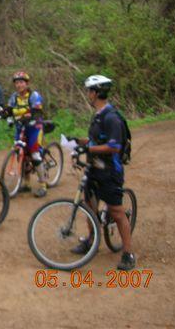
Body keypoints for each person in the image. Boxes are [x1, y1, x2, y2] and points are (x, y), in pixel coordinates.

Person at [71, 75, 136, 271]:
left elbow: (114, 146)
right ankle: (91, 241)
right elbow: (96, 141)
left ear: (96, 93)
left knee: (116, 212)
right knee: (90, 207)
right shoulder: (98, 115)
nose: (88, 95)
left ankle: (128, 253)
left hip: (109, 172)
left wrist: (88, 150)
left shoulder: (112, 117)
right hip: (94, 169)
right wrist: (78, 142)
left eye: (89, 91)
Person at [7, 71, 48, 197]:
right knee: (21, 154)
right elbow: (8, 110)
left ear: (27, 83)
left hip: (34, 128)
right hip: (20, 128)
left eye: (21, 82)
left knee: (35, 155)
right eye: (17, 83)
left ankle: (43, 185)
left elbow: (38, 111)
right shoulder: (14, 97)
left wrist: (30, 116)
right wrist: (3, 114)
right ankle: (26, 183)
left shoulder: (34, 96)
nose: (19, 85)